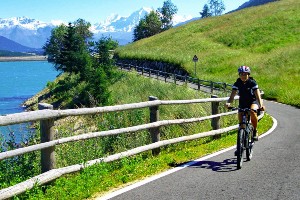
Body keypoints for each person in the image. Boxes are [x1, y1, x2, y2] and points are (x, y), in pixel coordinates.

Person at [225, 66, 265, 141]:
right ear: (239, 75)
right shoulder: (237, 83)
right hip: (243, 102)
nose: (243, 76)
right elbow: (232, 96)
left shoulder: (252, 83)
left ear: (248, 75)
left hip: (253, 101)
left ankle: (255, 130)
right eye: (241, 74)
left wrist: (261, 105)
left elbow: (257, 95)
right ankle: (241, 143)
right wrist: (228, 103)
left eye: (245, 74)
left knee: (253, 111)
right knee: (241, 123)